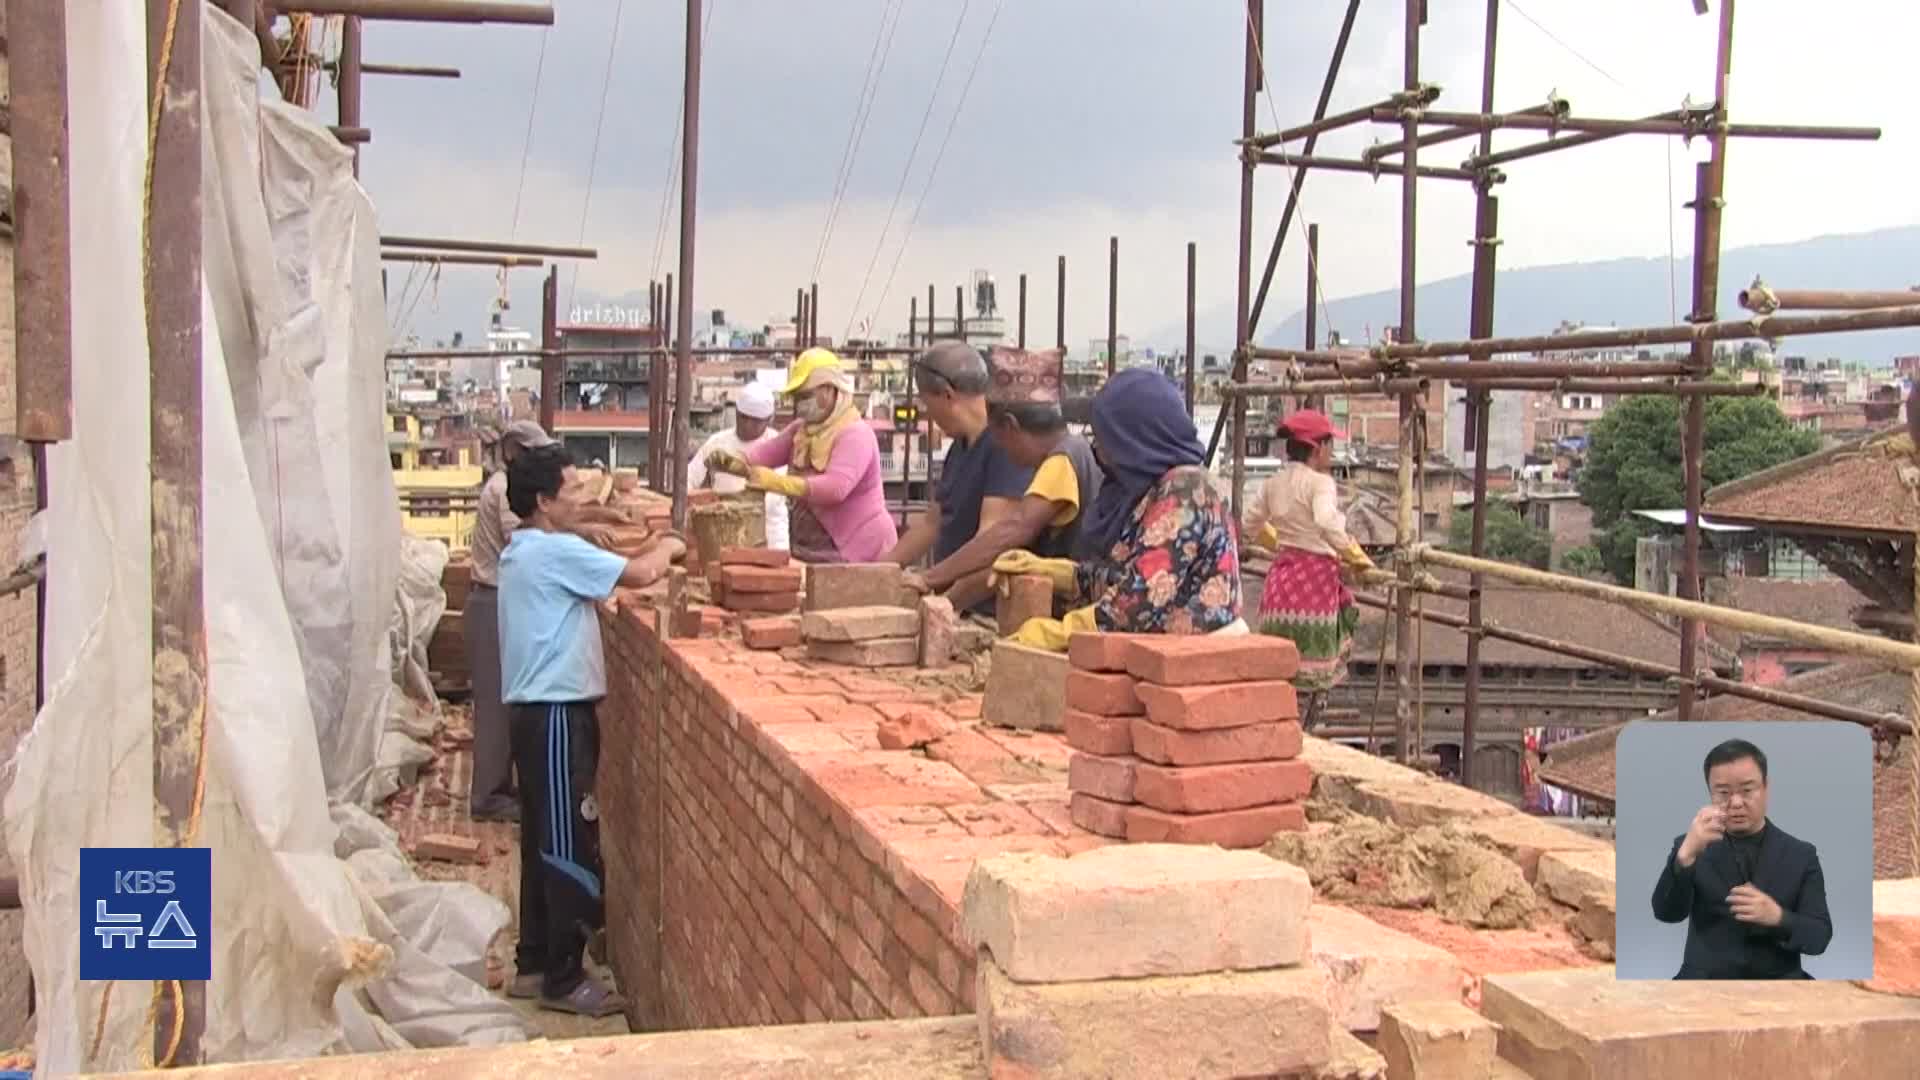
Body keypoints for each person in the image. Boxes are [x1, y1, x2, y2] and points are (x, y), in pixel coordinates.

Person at [497, 442, 685, 1016]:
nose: (583, 498)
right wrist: (673, 541)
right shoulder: (552, 556)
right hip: (556, 713)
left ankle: (533, 963)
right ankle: (563, 977)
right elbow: (641, 574)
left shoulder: (530, 549)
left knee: (541, 839)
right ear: (545, 501)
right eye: (573, 490)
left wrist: (587, 538)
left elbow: (584, 549)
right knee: (568, 844)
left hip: (536, 713)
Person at [993, 368, 1245, 649]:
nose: (1098, 446)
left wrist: (1059, 632)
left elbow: (1138, 600)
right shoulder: (1149, 489)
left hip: (1199, 658)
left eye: (1105, 436)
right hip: (1163, 654)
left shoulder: (1186, 489)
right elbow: (1124, 579)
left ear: (1133, 436)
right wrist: (1053, 571)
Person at [466, 420, 626, 822]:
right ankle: (488, 796)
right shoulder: (507, 497)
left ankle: (512, 792)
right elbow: (633, 573)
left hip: (516, 614)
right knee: (492, 708)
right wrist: (667, 545)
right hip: (499, 612)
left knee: (546, 831)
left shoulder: (530, 522)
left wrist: (594, 521)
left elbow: (559, 527)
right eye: (568, 489)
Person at [903, 347, 1099, 608]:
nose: (1003, 450)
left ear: (1011, 426)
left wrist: (931, 578)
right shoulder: (1072, 451)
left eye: (1000, 440)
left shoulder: (1063, 460)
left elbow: (1011, 530)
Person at [1651, 738, 1833, 979]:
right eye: (1723, 793)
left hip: (1778, 983)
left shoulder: (1801, 854)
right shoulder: (1690, 845)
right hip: (1705, 983)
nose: (1736, 803)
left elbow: (1819, 938)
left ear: (1766, 787)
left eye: (1747, 790)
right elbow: (1666, 914)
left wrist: (1778, 917)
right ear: (1710, 792)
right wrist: (1684, 857)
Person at [707, 348, 898, 563]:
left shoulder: (855, 434)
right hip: (812, 546)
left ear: (828, 390)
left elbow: (836, 488)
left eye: (806, 395)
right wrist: (736, 461)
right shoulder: (802, 430)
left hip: (856, 549)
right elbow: (765, 453)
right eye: (797, 397)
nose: (800, 404)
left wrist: (778, 483)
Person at [885, 342, 1035, 613]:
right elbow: (933, 522)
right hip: (954, 605)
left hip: (985, 611)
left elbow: (990, 544)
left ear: (947, 395)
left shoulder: (1004, 446)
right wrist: (878, 571)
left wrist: (944, 602)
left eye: (928, 405)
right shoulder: (960, 447)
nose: (928, 415)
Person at [1244, 410, 1376, 708]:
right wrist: (1357, 557)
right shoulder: (1320, 483)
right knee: (1312, 683)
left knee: (1281, 677)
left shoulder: (1273, 483)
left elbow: (1250, 524)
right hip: (1313, 589)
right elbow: (1327, 523)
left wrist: (1279, 542)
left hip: (1281, 585)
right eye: (1330, 445)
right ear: (1318, 449)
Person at [684, 381, 791, 550]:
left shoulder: (778, 446)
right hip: (724, 535)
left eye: (755, 421)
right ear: (736, 412)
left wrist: (733, 501)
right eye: (743, 418)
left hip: (771, 540)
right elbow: (687, 480)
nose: (748, 425)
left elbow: (772, 500)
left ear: (768, 420)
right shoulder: (717, 443)